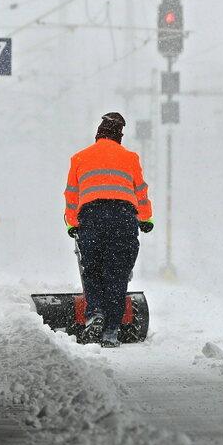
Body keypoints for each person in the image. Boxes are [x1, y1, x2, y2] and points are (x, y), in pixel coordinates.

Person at [64, 112, 153, 348]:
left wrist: (73, 223)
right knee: (117, 272)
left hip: (91, 217)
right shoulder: (130, 158)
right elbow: (140, 191)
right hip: (123, 218)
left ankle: (94, 312)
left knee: (92, 269)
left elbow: (72, 195)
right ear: (119, 136)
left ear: (98, 134)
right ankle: (111, 331)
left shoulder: (79, 158)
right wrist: (145, 219)